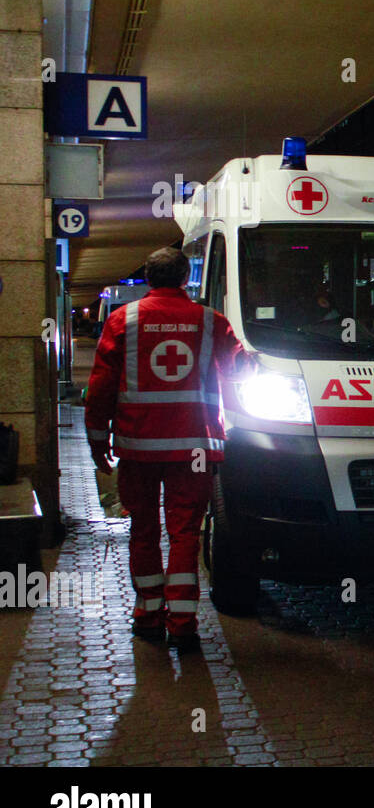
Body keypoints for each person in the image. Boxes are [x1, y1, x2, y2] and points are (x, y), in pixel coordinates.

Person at [84, 247, 246, 653]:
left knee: (142, 531)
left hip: (139, 449)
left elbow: (101, 384)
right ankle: (183, 624)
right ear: (185, 278)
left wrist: (96, 438)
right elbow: (240, 367)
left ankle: (148, 616)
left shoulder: (124, 320)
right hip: (193, 447)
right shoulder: (211, 322)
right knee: (186, 534)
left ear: (150, 279)